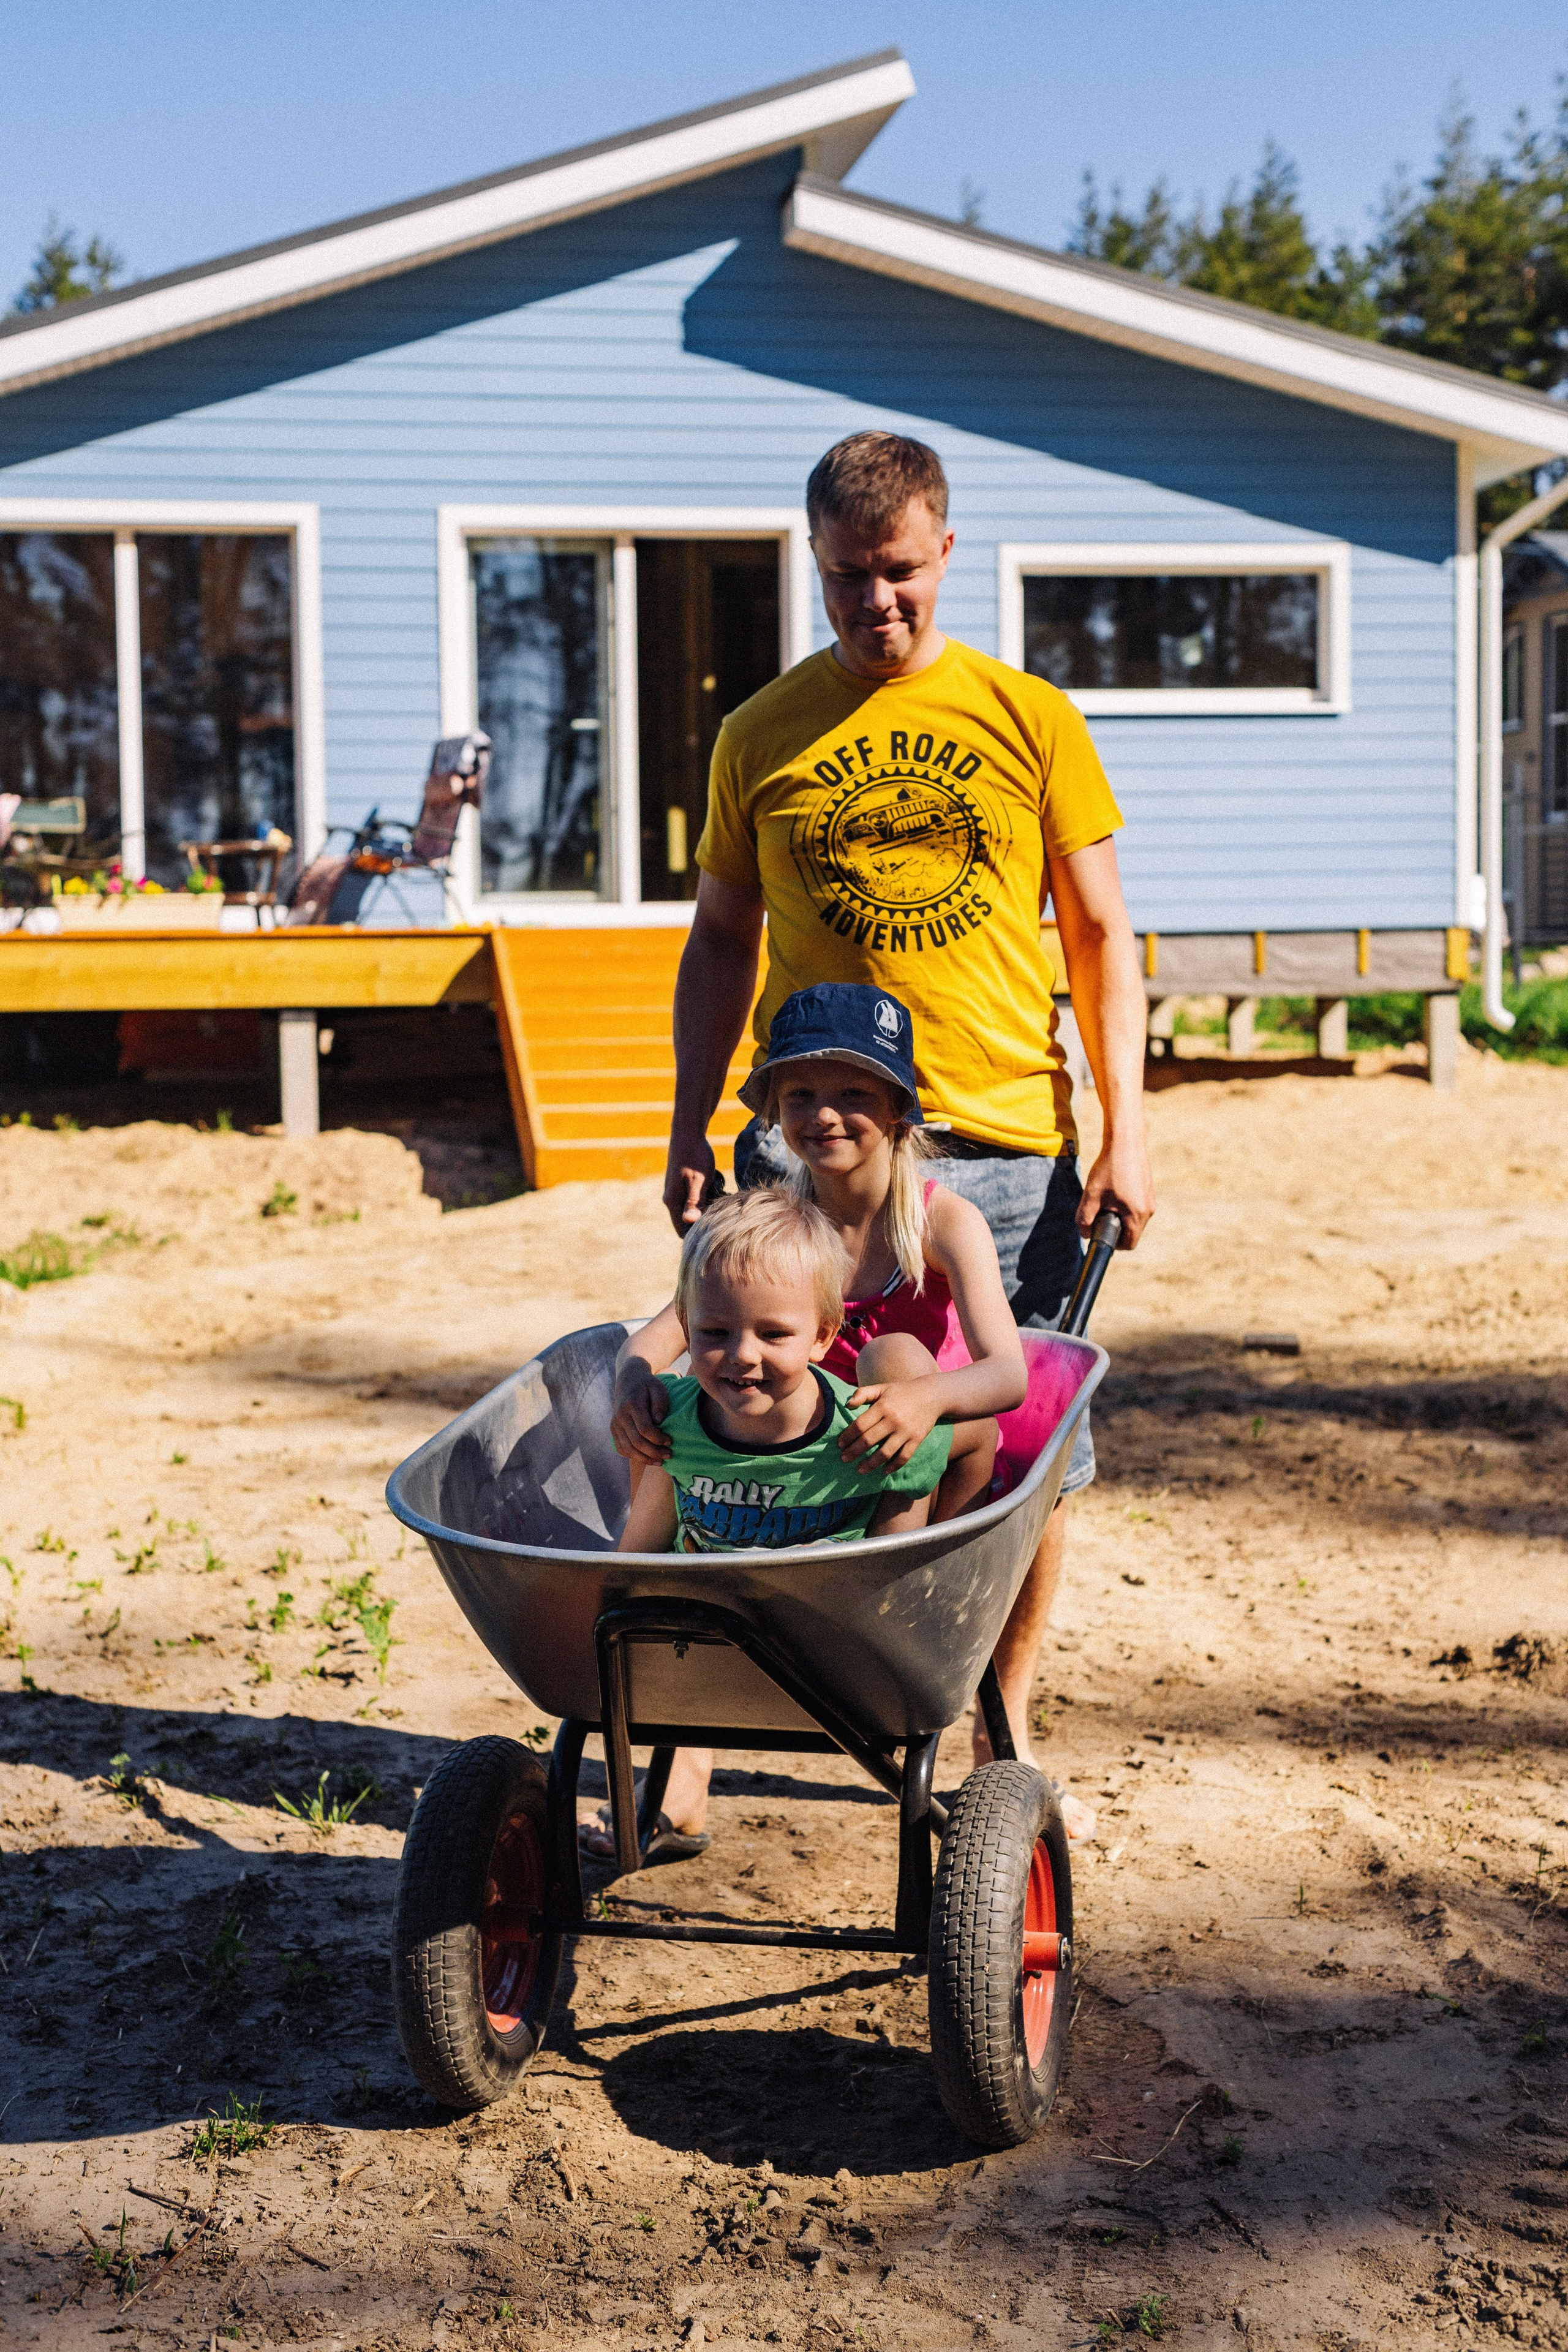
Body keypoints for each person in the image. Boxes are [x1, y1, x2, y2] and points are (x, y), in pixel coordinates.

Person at [661, 429, 1156, 1838]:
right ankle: (698, 1726)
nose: (873, 602)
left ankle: (999, 1716)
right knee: (746, 1415)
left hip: (1001, 1138)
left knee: (1026, 1454)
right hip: (803, 1145)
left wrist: (1125, 1129)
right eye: (843, 577)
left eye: (896, 572)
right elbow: (718, 939)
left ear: (944, 548)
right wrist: (688, 1117)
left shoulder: (1027, 717)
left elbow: (1099, 932)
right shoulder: (760, 733)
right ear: (810, 564)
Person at [593, 984, 1031, 1863]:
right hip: (779, 1466)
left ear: (901, 1108)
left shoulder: (941, 1221)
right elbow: (653, 1338)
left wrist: (925, 1400)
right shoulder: (767, 1228)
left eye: (854, 1093)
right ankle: (683, 1760)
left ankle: (883, 1594)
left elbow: (1011, 1374)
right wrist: (635, 1388)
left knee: (897, 1356)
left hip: (899, 1459)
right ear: (773, 1111)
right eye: (800, 1094)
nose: (824, 1114)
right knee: (676, 1407)